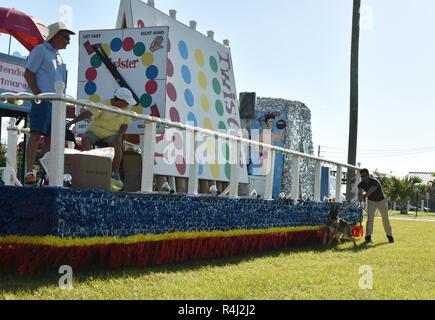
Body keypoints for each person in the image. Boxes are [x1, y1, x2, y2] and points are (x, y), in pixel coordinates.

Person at [24, 22, 75, 185]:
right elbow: (28, 74)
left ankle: (45, 174)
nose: (68, 41)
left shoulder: (59, 56)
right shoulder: (40, 50)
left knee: (51, 139)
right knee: (35, 135)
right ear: (55, 36)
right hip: (44, 101)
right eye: (66, 37)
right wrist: (39, 96)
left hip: (57, 104)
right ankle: (29, 172)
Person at [67, 87, 136, 189]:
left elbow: (124, 125)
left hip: (111, 134)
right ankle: (88, 169)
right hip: (95, 131)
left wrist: (119, 136)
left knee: (118, 143)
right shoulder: (103, 104)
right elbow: (87, 113)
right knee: (85, 140)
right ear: (119, 100)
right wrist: (72, 122)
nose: (128, 104)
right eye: (126, 102)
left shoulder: (126, 109)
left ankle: (115, 173)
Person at [358, 169, 394, 243]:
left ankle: (389, 235)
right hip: (371, 201)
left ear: (368, 175)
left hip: (381, 201)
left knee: (385, 219)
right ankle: (368, 236)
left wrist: (363, 196)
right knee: (370, 219)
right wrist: (359, 197)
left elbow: (370, 191)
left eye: (364, 176)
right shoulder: (361, 184)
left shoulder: (375, 182)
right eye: (362, 176)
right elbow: (359, 192)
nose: (363, 177)